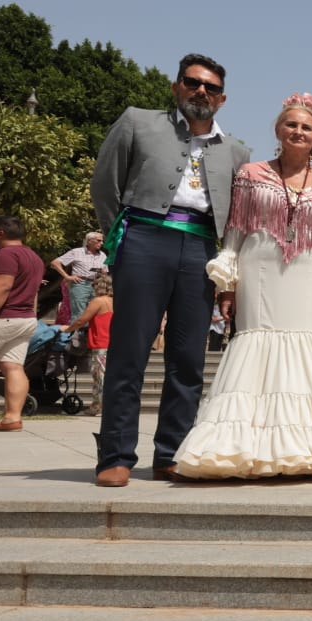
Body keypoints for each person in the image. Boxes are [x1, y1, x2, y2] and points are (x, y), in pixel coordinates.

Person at [173, 93, 312, 479]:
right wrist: (228, 285)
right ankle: (239, 449)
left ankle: (308, 451)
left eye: (307, 127)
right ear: (278, 130)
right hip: (259, 269)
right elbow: (235, 229)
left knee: (305, 348)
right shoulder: (250, 174)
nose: (299, 131)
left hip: (310, 274)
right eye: (292, 125)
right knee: (256, 343)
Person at [90, 54, 251, 487]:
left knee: (188, 357)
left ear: (222, 99)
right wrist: (116, 239)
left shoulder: (236, 151)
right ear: (177, 86)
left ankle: (171, 452)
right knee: (130, 350)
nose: (201, 91)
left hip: (200, 248)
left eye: (211, 88)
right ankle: (115, 455)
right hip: (144, 237)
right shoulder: (138, 122)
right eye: (193, 83)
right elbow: (105, 182)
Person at [0, 215, 46, 432]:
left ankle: (11, 418)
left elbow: (3, 286)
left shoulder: (5, 255)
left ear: (0, 233)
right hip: (25, 319)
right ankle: (11, 418)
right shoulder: (33, 256)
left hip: (2, 317)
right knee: (12, 366)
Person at [63, 273, 114, 417]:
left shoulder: (98, 301)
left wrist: (67, 329)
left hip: (101, 344)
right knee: (110, 377)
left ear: (98, 286)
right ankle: (108, 406)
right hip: (114, 345)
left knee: (100, 377)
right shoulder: (115, 301)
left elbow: (81, 320)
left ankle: (98, 407)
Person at [49, 232, 106, 323]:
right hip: (80, 284)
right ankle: (75, 336)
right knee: (79, 313)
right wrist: (67, 276)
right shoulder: (77, 252)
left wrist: (101, 272)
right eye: (99, 240)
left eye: (102, 241)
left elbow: (102, 271)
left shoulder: (102, 255)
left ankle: (88, 336)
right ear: (89, 241)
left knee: (95, 312)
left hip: (96, 285)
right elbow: (55, 263)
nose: (102, 243)